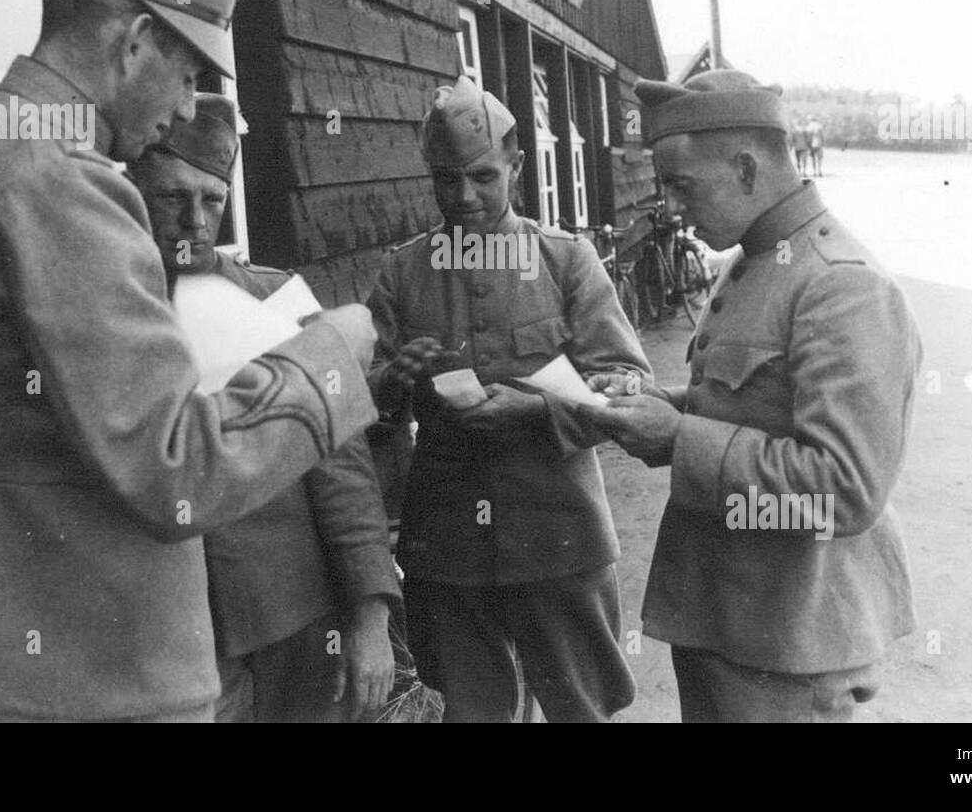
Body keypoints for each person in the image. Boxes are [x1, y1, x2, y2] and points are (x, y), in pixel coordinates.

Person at [0, 0, 378, 723]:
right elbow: (175, 468)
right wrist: (332, 356)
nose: (187, 110)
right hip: (95, 675)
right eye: (187, 74)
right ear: (135, 40)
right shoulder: (65, 185)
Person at [579, 69, 921, 723]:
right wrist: (661, 404)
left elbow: (842, 487)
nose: (673, 208)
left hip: (792, 645)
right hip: (727, 623)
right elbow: (754, 404)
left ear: (744, 168)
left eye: (682, 187)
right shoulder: (759, 256)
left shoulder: (842, 286)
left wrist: (676, 438)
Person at [365, 76, 651, 722]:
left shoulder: (566, 261)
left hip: (559, 534)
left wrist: (540, 410)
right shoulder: (403, 272)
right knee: (474, 713)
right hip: (449, 545)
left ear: (517, 167)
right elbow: (364, 408)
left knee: (580, 706)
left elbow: (629, 385)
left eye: (483, 177)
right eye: (445, 180)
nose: (464, 196)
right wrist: (390, 384)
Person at [128, 94, 399, 722]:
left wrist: (369, 617)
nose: (196, 220)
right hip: (171, 634)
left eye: (213, 201)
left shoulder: (272, 302)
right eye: (173, 198)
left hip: (294, 617)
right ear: (134, 190)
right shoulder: (118, 316)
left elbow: (343, 472)